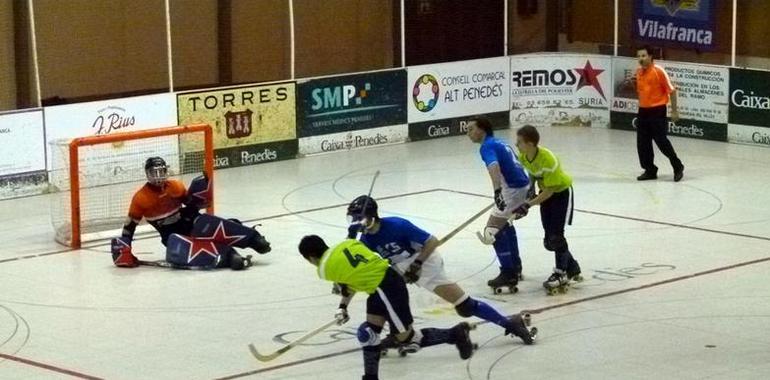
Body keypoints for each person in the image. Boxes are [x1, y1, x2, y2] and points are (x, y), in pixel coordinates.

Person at [346, 195, 535, 354]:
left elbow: (432, 241)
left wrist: (417, 265)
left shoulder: (397, 225)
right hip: (401, 266)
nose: (359, 224)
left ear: (372, 217)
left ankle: (511, 323)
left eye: (360, 220)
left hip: (426, 263)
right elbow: (352, 258)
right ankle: (398, 333)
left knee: (465, 306)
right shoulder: (365, 239)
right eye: (354, 220)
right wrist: (351, 235)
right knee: (387, 293)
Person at [298, 235, 475, 380]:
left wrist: (342, 299)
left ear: (311, 257)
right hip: (380, 288)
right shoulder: (348, 243)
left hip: (386, 288)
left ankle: (455, 334)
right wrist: (342, 307)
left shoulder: (323, 270)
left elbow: (346, 285)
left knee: (407, 338)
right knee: (368, 334)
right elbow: (352, 280)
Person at [111, 157, 271, 270]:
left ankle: (254, 238)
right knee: (176, 246)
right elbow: (129, 227)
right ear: (147, 174)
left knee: (205, 223)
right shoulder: (140, 198)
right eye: (154, 173)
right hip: (171, 234)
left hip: (189, 221)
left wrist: (200, 195)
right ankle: (230, 256)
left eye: (162, 172)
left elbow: (191, 204)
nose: (159, 177)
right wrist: (125, 249)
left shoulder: (176, 186)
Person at [513, 125, 582, 294]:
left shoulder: (548, 159)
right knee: (549, 240)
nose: (516, 145)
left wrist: (528, 204)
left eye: (519, 142)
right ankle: (572, 266)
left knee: (556, 235)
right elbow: (532, 173)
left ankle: (560, 273)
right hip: (546, 193)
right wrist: (530, 190)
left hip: (560, 193)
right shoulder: (524, 156)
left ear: (530, 144)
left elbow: (550, 191)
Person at [466, 118, 530, 291]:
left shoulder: (486, 146)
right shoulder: (500, 142)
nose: (468, 133)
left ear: (482, 130)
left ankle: (508, 273)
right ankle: (515, 266)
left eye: (471, 129)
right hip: (522, 185)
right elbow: (518, 163)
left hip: (512, 189)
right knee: (506, 225)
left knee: (491, 232)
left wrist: (497, 192)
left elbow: (493, 167)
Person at [631, 45, 684, 182]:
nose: (641, 59)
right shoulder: (638, 72)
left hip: (657, 111)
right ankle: (650, 170)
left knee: (661, 141)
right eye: (639, 56)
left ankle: (677, 166)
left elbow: (671, 91)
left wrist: (674, 110)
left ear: (650, 57)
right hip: (643, 111)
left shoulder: (658, 71)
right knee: (642, 143)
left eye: (643, 56)